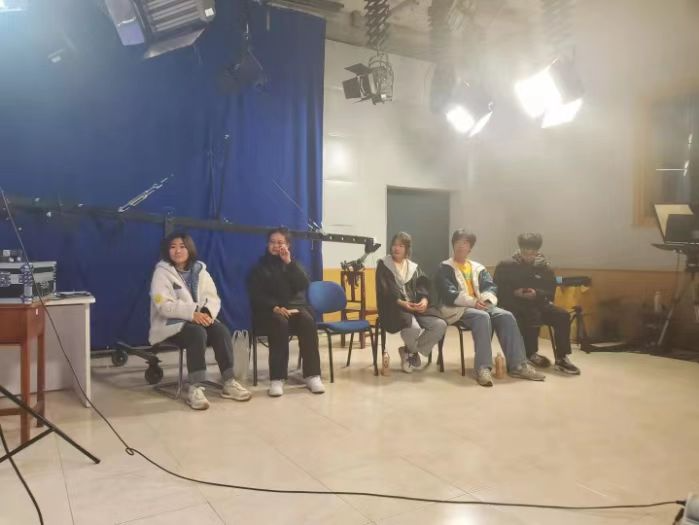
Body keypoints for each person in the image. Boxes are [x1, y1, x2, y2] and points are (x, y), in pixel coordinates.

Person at [149, 232, 252, 410]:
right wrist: (192, 314)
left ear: (189, 249)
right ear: (167, 250)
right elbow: (163, 305)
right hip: (171, 324)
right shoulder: (161, 272)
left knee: (220, 330)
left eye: (182, 246)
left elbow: (213, 298)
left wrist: (205, 313)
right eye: (173, 247)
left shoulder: (200, 271)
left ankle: (229, 381)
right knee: (196, 333)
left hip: (198, 319)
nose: (177, 251)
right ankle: (195, 388)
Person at [435, 229, 545, 387]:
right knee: (482, 317)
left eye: (465, 243)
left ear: (470, 247)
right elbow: (448, 293)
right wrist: (473, 302)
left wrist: (485, 300)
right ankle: (483, 368)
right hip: (457, 307)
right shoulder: (444, 267)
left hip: (480, 305)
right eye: (458, 242)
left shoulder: (477, 267)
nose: (461, 246)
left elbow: (490, 286)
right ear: (453, 244)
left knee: (506, 315)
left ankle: (518, 365)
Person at [247, 227, 325, 397]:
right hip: (269, 312)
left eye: (280, 242)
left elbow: (303, 284)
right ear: (267, 245)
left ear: (288, 245)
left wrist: (288, 262)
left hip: (294, 308)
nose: (276, 246)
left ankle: (312, 375)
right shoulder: (259, 267)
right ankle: (277, 378)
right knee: (279, 322)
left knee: (307, 320)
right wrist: (274, 307)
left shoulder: (293, 264)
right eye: (272, 242)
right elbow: (256, 295)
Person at [493, 233, 581, 375]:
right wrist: (515, 293)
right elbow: (497, 290)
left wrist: (537, 293)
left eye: (532, 252)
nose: (528, 256)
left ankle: (562, 358)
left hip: (538, 303)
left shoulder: (545, 268)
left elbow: (550, 292)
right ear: (520, 249)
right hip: (513, 304)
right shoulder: (506, 265)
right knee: (529, 314)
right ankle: (529, 354)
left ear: (537, 251)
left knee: (562, 315)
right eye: (525, 251)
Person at [376, 232, 447, 374]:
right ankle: (412, 354)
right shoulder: (384, 264)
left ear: (407, 249)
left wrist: (424, 300)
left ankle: (408, 351)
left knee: (440, 325)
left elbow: (423, 285)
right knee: (413, 327)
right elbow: (385, 290)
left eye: (401, 246)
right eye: (394, 245)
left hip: (414, 307)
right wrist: (402, 303)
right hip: (394, 308)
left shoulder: (412, 267)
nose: (396, 248)